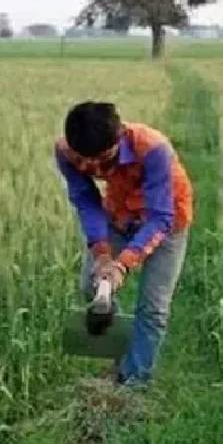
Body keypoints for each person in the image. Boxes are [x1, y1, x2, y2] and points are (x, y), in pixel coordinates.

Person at [54, 101, 193, 388]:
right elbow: (86, 200)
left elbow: (160, 217)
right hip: (119, 214)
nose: (94, 168)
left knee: (153, 307)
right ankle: (121, 356)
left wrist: (123, 265)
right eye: (86, 161)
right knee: (92, 285)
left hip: (167, 219)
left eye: (103, 161)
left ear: (118, 138)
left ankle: (134, 381)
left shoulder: (153, 149)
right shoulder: (66, 152)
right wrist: (102, 254)